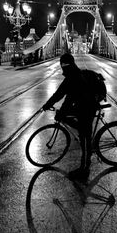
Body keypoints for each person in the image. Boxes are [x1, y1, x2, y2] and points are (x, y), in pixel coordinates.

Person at [42, 53, 99, 181]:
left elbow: (67, 98)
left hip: (88, 107)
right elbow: (59, 94)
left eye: (65, 64)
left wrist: (58, 110)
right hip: (83, 105)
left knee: (85, 137)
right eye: (63, 65)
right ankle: (86, 158)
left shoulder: (73, 77)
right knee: (79, 128)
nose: (64, 67)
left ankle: (84, 169)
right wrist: (48, 105)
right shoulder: (72, 75)